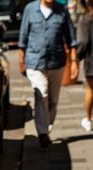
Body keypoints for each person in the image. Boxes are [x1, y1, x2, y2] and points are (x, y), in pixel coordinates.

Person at [19, 0, 78, 148]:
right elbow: (23, 36)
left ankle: (46, 126)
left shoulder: (62, 10)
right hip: (34, 61)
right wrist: (21, 60)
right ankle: (42, 132)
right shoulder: (30, 9)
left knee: (53, 100)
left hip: (56, 62)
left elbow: (71, 38)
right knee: (42, 94)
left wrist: (74, 61)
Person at [78, 0, 93, 131]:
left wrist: (77, 57)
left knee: (90, 90)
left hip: (91, 61)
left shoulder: (85, 19)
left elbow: (83, 41)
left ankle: (88, 121)